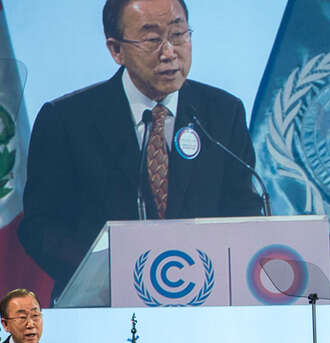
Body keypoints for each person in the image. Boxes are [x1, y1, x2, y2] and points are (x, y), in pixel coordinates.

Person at [18, 0, 263, 300]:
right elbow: (40, 228)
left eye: (178, 34)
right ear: (115, 49)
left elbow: (244, 210)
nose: (169, 52)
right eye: (151, 39)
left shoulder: (223, 113)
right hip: (101, 309)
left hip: (205, 306)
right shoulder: (67, 121)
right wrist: (111, 271)